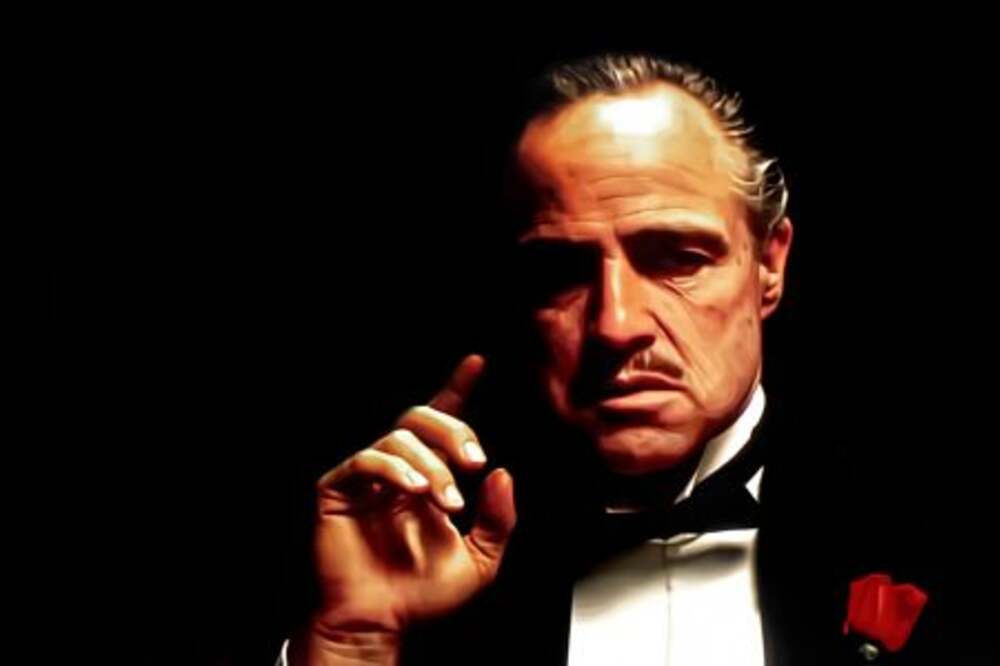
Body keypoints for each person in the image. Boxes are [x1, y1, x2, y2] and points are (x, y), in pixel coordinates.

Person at [278, 54, 955, 665]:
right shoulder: (417, 554)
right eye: (562, 271)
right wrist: (353, 642)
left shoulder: (926, 519)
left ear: (769, 265)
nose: (616, 325)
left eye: (677, 259)